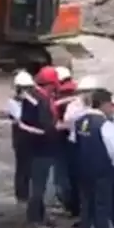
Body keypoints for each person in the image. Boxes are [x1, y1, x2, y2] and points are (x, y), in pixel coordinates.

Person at [74, 88, 114, 228]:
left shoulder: (80, 121)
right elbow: (113, 152)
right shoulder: (104, 124)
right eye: (110, 105)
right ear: (103, 104)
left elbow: (74, 142)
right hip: (102, 172)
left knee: (86, 209)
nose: (112, 109)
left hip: (83, 170)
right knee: (102, 210)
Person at [11, 70, 57, 228]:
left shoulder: (22, 102)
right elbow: (44, 126)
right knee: (38, 186)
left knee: (37, 184)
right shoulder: (37, 103)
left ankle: (39, 215)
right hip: (41, 149)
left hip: (31, 148)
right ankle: (35, 218)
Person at [59, 76, 99, 218]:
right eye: (85, 91)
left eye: (90, 91)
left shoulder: (99, 105)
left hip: (93, 145)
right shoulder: (74, 106)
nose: (87, 94)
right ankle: (75, 208)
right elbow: (68, 121)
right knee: (74, 178)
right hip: (76, 144)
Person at [7, 71, 35, 205]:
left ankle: (28, 192)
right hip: (20, 138)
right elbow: (20, 117)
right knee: (22, 167)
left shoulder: (30, 101)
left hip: (31, 137)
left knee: (30, 166)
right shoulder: (13, 102)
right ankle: (21, 194)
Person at [52, 67, 78, 207]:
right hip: (79, 140)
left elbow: (55, 120)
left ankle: (66, 201)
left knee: (62, 172)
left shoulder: (58, 98)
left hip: (62, 139)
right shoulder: (78, 93)